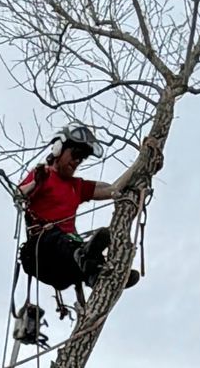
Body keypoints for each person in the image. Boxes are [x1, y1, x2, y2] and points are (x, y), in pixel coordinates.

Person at [17, 122, 151, 299]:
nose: (77, 161)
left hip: (64, 269)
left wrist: (142, 161)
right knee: (62, 242)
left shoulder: (76, 186)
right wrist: (36, 183)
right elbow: (18, 195)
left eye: (82, 159)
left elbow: (113, 189)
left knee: (83, 253)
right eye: (75, 154)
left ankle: (100, 275)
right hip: (41, 253)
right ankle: (85, 259)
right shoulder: (44, 174)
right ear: (58, 149)